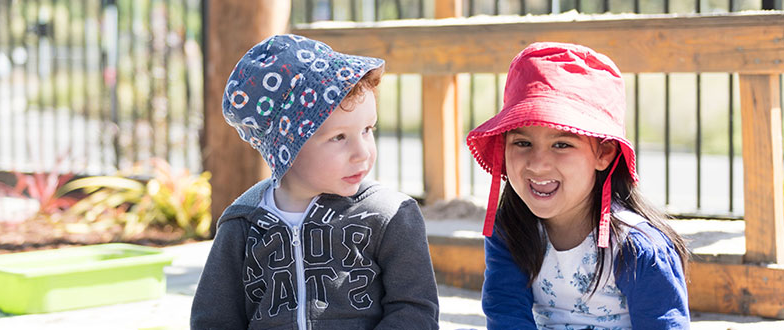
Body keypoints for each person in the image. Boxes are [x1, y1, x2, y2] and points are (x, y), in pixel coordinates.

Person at [191, 34, 439, 330]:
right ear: (286, 148)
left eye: (367, 129)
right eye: (338, 137)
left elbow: (415, 310)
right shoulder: (243, 222)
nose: (362, 153)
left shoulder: (389, 216)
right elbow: (214, 319)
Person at [466, 42, 690, 329]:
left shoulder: (637, 248)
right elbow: (506, 314)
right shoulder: (510, 231)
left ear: (604, 153)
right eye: (523, 143)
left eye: (561, 144)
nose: (538, 164)